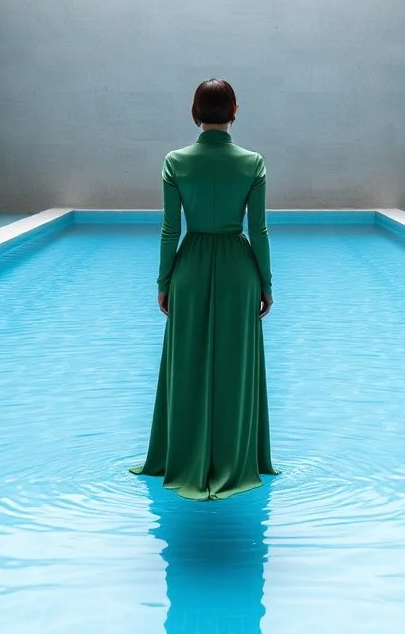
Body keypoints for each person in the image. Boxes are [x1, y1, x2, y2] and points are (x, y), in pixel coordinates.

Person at [130, 79, 278, 501]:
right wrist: (266, 284)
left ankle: (182, 455)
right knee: (236, 365)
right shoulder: (253, 162)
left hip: (190, 268)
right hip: (238, 270)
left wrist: (164, 282)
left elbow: (169, 229)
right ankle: (237, 457)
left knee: (187, 364)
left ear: (195, 112)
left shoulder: (176, 161)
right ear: (235, 110)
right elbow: (260, 230)